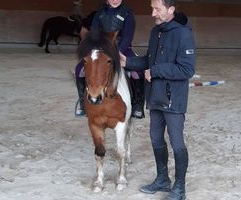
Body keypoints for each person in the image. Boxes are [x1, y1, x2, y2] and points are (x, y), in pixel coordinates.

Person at [120, 0, 196, 199]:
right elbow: (148, 60)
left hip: (173, 100)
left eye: (157, 9)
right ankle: (162, 179)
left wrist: (155, 71)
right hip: (155, 96)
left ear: (170, 10)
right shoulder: (156, 32)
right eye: (152, 9)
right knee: (155, 138)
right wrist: (128, 62)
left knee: (177, 142)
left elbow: (187, 69)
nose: (153, 13)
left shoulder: (183, 34)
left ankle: (179, 188)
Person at [74, 0, 145, 119]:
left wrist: (116, 52)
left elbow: (127, 37)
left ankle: (138, 104)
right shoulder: (99, 14)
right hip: (101, 49)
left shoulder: (127, 14)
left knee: (137, 72)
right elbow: (94, 34)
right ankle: (82, 102)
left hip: (123, 48)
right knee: (79, 69)